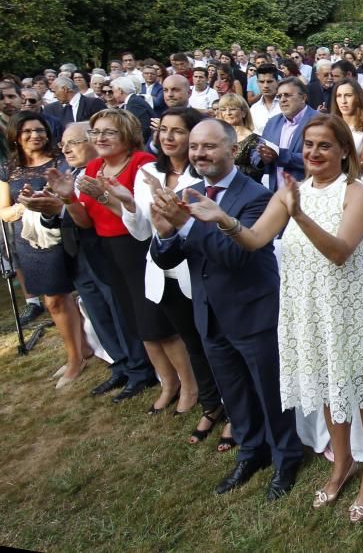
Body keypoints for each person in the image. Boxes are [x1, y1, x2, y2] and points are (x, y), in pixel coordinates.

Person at [185, 114, 363, 517]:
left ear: (344, 150)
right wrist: (223, 219)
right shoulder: (288, 191)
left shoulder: (357, 193)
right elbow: (255, 239)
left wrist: (300, 215)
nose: (313, 152)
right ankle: (343, 461)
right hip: (308, 306)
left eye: (324, 145)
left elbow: (339, 251)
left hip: (348, 306)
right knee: (331, 385)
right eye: (309, 144)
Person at [148, 119, 303, 501]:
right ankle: (252, 452)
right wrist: (166, 232)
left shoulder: (255, 196)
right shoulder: (192, 192)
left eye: (209, 147)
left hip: (251, 310)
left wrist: (185, 224)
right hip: (209, 311)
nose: (199, 154)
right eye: (195, 147)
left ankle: (286, 456)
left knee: (269, 391)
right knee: (234, 391)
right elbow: (169, 257)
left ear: (232, 151)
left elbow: (235, 255)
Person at [101, 108, 227, 442]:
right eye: (164, 130)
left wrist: (171, 204)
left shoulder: (204, 174)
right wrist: (128, 203)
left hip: (197, 268)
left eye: (178, 131)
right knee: (191, 341)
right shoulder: (147, 172)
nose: (168, 137)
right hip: (162, 267)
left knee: (214, 339)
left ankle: (232, 405)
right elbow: (143, 231)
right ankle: (211, 404)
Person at [45, 109, 160, 402]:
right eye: (96, 133)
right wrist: (68, 198)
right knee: (126, 315)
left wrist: (104, 198)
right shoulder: (93, 166)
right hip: (105, 249)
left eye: (109, 132)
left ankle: (155, 374)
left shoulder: (143, 163)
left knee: (151, 317)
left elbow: (140, 219)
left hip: (137, 248)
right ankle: (137, 370)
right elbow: (85, 221)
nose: (100, 138)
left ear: (128, 135)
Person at [0, 112, 86, 388]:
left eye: (40, 130)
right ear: (15, 136)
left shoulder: (62, 161)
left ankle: (87, 348)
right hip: (32, 242)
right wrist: (26, 205)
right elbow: (4, 212)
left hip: (66, 233)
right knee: (54, 301)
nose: (35, 135)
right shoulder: (8, 169)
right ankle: (75, 355)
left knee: (81, 295)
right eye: (27, 131)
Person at [255, 77, 317, 191]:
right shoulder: (272, 122)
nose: (282, 100)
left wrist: (280, 155)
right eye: (279, 96)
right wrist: (263, 158)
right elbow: (256, 154)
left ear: (303, 98)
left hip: (310, 192)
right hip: (277, 194)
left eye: (287, 95)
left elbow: (318, 157)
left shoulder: (319, 120)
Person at [332, 78, 363, 165]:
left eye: (348, 95)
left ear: (358, 98)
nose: (343, 101)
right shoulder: (330, 125)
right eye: (339, 96)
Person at [215, 93, 262, 183]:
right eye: (223, 110)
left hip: (244, 187)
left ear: (243, 112)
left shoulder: (255, 140)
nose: (228, 113)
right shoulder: (216, 137)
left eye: (232, 109)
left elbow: (258, 172)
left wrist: (234, 169)